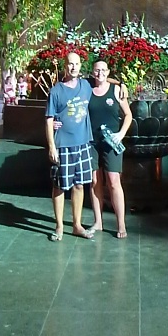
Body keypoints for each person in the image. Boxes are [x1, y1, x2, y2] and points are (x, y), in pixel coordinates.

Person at [45, 52, 95, 241]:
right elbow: (49, 120)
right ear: (64, 66)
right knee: (59, 186)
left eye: (76, 64)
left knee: (79, 185)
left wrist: (121, 85)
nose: (73, 67)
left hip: (82, 144)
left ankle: (76, 225)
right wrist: (51, 146)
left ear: (81, 65)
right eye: (69, 64)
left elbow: (106, 81)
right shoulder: (56, 91)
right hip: (62, 145)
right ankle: (59, 227)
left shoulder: (86, 86)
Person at [88, 59, 132, 239]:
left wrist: (120, 134)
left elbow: (128, 115)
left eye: (103, 70)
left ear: (108, 72)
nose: (100, 74)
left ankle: (121, 223)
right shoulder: (87, 90)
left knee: (114, 181)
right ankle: (98, 222)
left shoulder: (116, 91)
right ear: (92, 72)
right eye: (97, 70)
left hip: (111, 141)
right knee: (94, 181)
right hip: (91, 141)